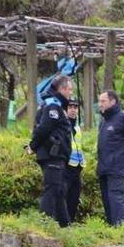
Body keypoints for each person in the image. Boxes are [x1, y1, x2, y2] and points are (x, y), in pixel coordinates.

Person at [28, 75, 74, 227]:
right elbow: (43, 128)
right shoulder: (53, 106)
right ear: (62, 89)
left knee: (59, 190)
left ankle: (65, 225)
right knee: (52, 189)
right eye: (69, 90)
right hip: (52, 154)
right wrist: (33, 146)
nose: (70, 93)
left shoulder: (55, 104)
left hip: (57, 155)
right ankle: (43, 225)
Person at [97, 90, 124, 226]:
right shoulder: (104, 121)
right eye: (99, 101)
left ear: (113, 101)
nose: (100, 104)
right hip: (104, 167)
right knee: (107, 199)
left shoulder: (123, 117)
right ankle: (112, 230)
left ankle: (121, 229)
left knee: (115, 197)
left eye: (103, 101)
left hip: (117, 166)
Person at [65, 98, 85, 223]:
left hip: (77, 166)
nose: (73, 110)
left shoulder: (77, 127)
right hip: (66, 166)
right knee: (65, 197)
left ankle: (70, 222)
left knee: (74, 197)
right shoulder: (63, 124)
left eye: (75, 107)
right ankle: (63, 223)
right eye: (70, 107)